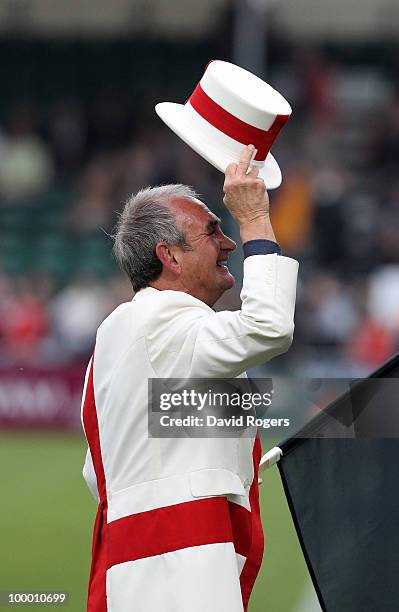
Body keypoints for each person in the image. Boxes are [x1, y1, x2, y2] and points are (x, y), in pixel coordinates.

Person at [81, 145, 299, 612]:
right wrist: (257, 217)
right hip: (174, 568)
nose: (229, 242)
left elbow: (99, 469)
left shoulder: (137, 331)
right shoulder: (160, 324)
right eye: (213, 230)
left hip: (154, 565)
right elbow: (269, 327)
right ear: (171, 257)